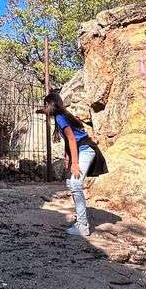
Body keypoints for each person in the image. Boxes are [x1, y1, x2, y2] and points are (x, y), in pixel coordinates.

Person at [39, 91, 107, 238]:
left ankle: (83, 227)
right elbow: (68, 139)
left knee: (75, 184)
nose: (44, 108)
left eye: (45, 105)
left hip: (85, 149)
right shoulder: (61, 116)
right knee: (70, 183)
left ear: (51, 104)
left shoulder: (60, 117)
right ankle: (80, 221)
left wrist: (75, 163)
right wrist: (67, 157)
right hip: (81, 149)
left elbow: (71, 139)